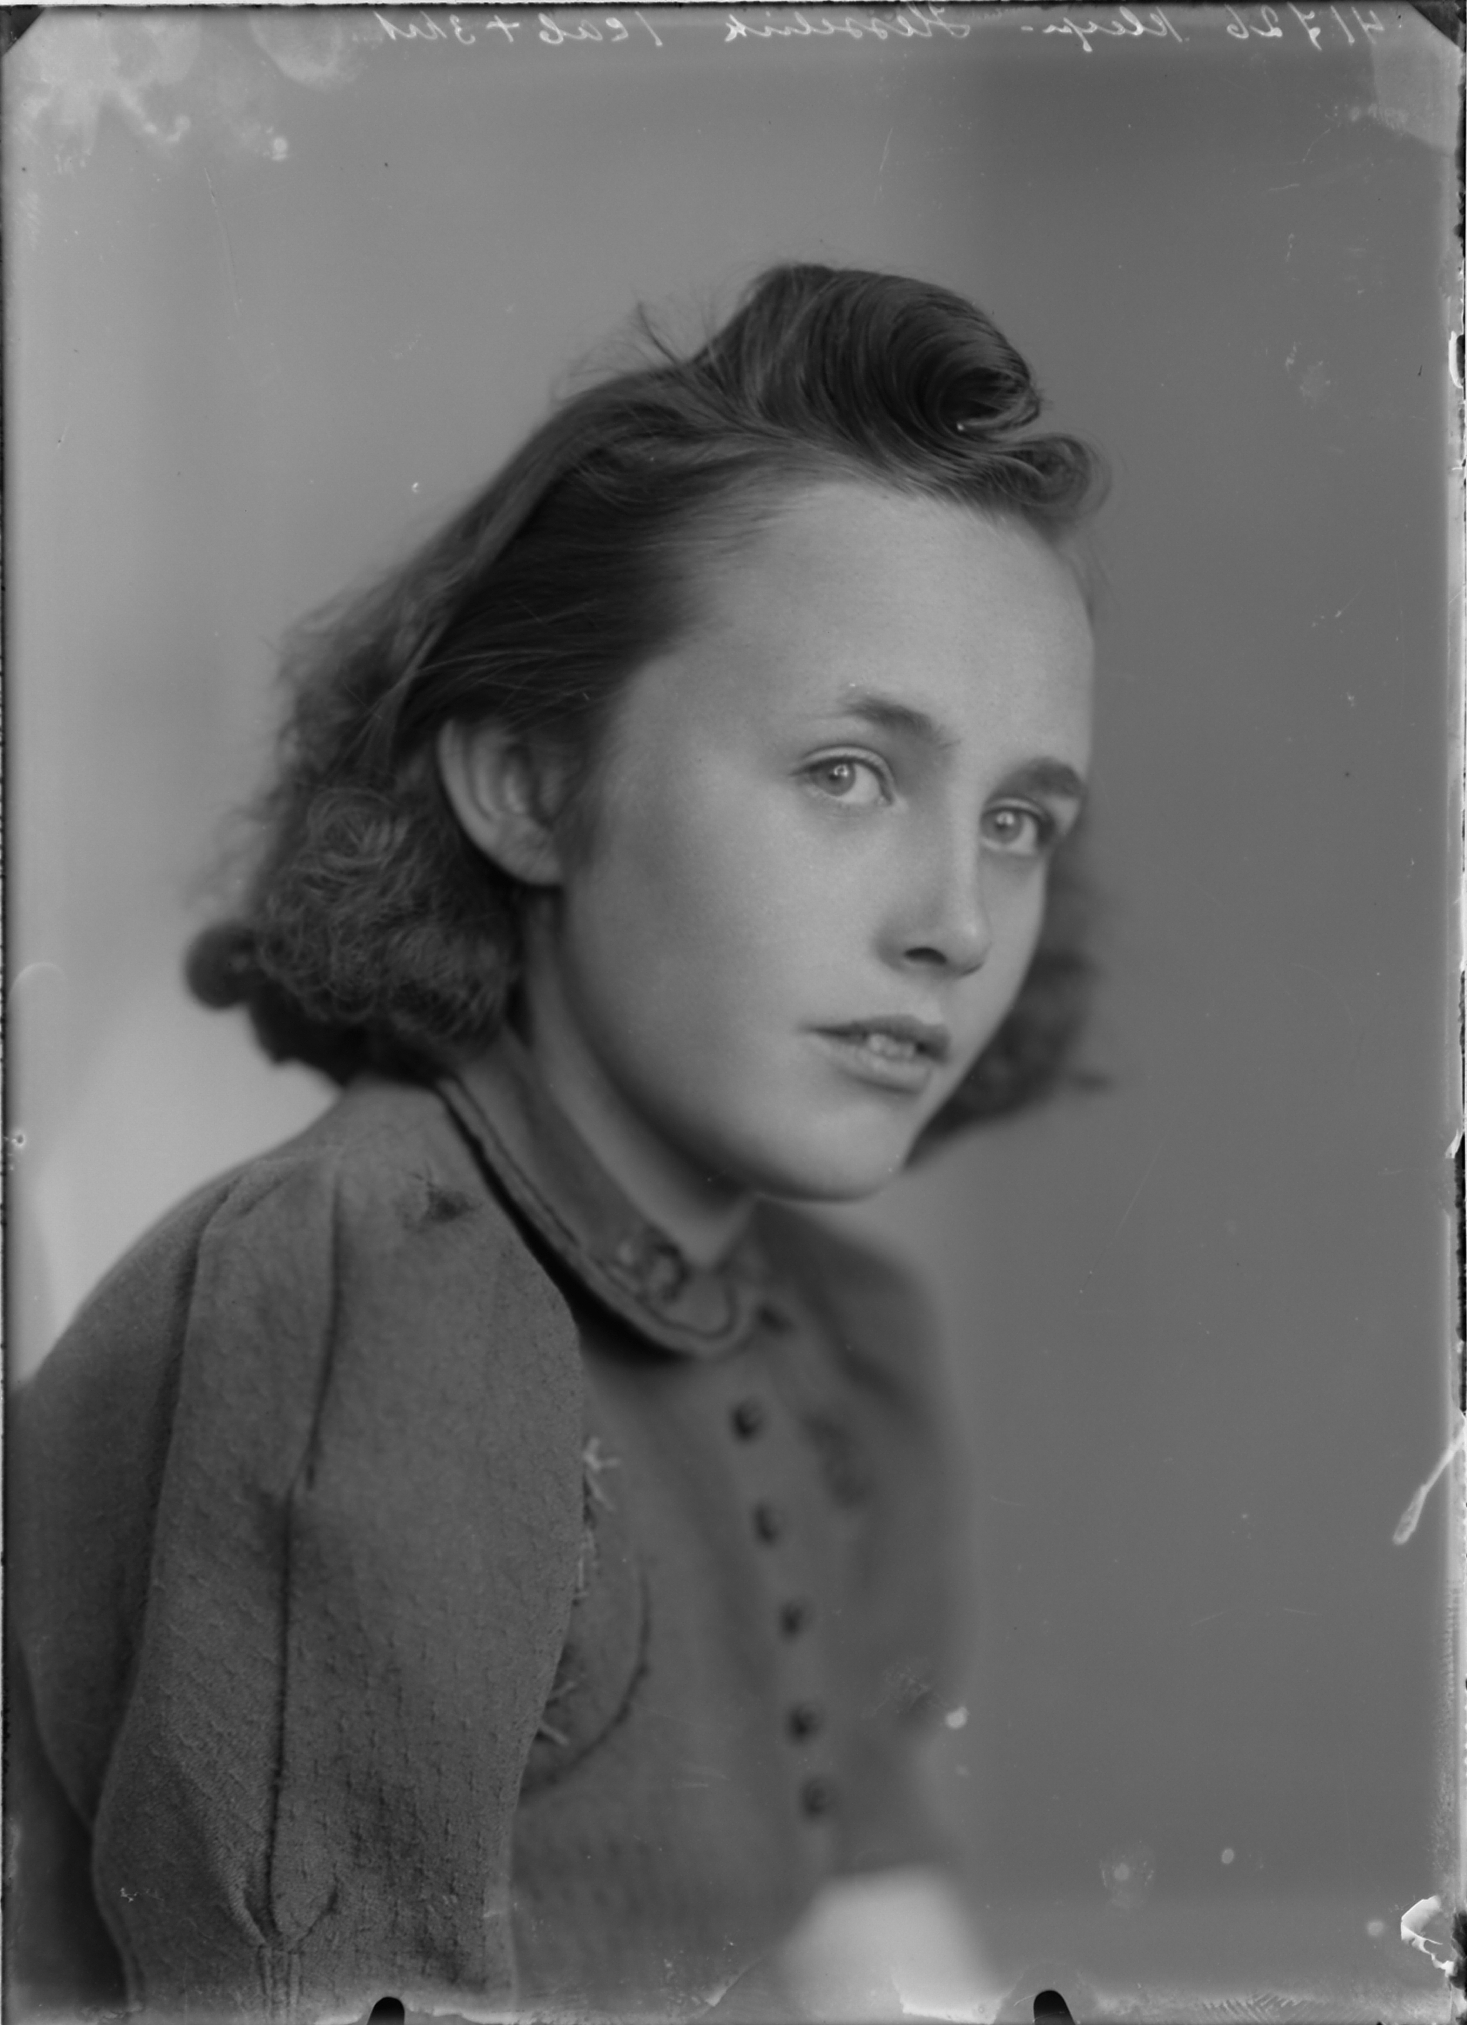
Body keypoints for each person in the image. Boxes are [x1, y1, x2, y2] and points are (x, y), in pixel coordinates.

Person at [8, 263, 1102, 2024]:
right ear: (527, 788)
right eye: (847, 771)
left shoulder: (848, 1344)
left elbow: (875, 1946)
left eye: (1022, 820)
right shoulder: (365, 1293)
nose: (960, 924)